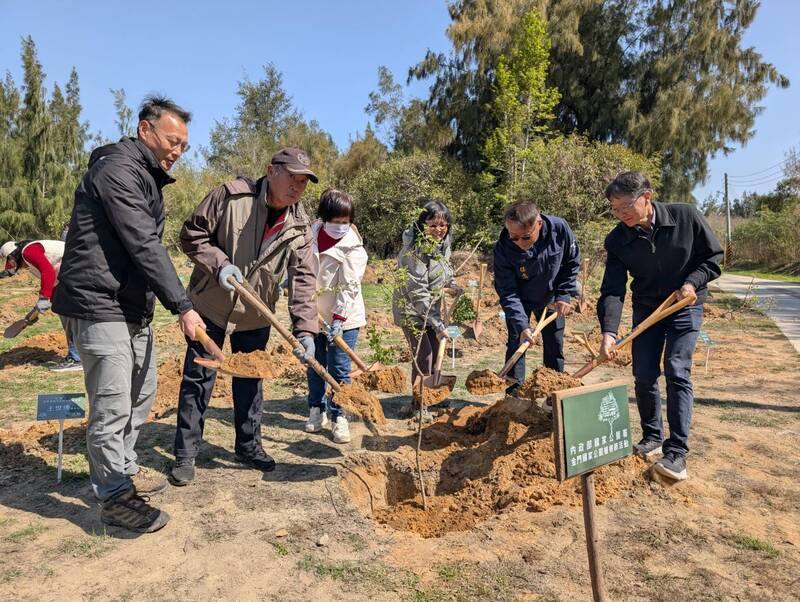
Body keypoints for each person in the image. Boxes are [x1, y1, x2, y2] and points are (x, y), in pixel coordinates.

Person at [53, 95, 204, 533]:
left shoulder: (145, 176)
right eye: (172, 141)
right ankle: (115, 497)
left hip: (130, 307)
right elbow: (144, 243)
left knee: (141, 395)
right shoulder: (117, 170)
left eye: (184, 145)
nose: (177, 151)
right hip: (97, 303)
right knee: (113, 405)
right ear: (145, 130)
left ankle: (123, 470)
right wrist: (183, 305)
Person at [171, 147, 319, 485]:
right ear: (271, 170)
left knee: (251, 379)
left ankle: (248, 446)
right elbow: (191, 235)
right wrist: (220, 264)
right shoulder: (231, 197)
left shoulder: (300, 225)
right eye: (291, 177)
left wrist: (305, 331)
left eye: (303, 182)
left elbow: (304, 279)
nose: (296, 187)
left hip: (255, 312)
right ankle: (186, 453)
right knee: (199, 378)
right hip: (210, 304)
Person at [597, 171, 723, 481]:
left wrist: (692, 283)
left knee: (677, 369)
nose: (621, 214)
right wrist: (609, 332)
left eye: (626, 206)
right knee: (643, 373)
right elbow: (613, 289)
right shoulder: (617, 240)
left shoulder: (685, 217)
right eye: (615, 209)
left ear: (647, 197)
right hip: (646, 308)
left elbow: (713, 258)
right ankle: (652, 436)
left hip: (684, 304)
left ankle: (677, 452)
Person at [494, 201, 581, 395]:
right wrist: (522, 325)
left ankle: (554, 391)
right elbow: (507, 291)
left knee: (554, 343)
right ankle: (514, 393)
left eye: (525, 237)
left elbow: (571, 262)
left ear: (538, 224)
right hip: (519, 299)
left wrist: (564, 294)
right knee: (517, 340)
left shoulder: (560, 229)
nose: (519, 242)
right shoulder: (503, 248)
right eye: (513, 237)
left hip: (551, 297)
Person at [304, 189, 368, 444]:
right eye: (336, 221)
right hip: (313, 314)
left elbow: (349, 287)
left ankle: (339, 416)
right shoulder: (309, 235)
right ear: (324, 218)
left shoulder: (354, 248)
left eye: (346, 221)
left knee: (339, 369)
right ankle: (316, 409)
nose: (341, 226)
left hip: (345, 317)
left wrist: (339, 321)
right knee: (315, 364)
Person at [392, 200, 456, 421]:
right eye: (433, 225)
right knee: (424, 354)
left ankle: (432, 394)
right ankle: (419, 403)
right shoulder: (414, 251)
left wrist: (452, 283)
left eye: (443, 225)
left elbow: (443, 270)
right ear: (422, 225)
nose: (439, 229)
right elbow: (418, 291)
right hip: (411, 309)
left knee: (436, 349)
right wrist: (437, 324)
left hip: (431, 309)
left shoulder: (442, 244)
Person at [0, 239, 82, 371]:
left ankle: (77, 358)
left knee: (68, 314)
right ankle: (79, 355)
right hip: (73, 270)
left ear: (14, 255)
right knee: (64, 310)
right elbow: (53, 279)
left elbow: (48, 272)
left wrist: (44, 298)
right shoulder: (30, 257)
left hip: (77, 267)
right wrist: (39, 309)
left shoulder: (28, 252)